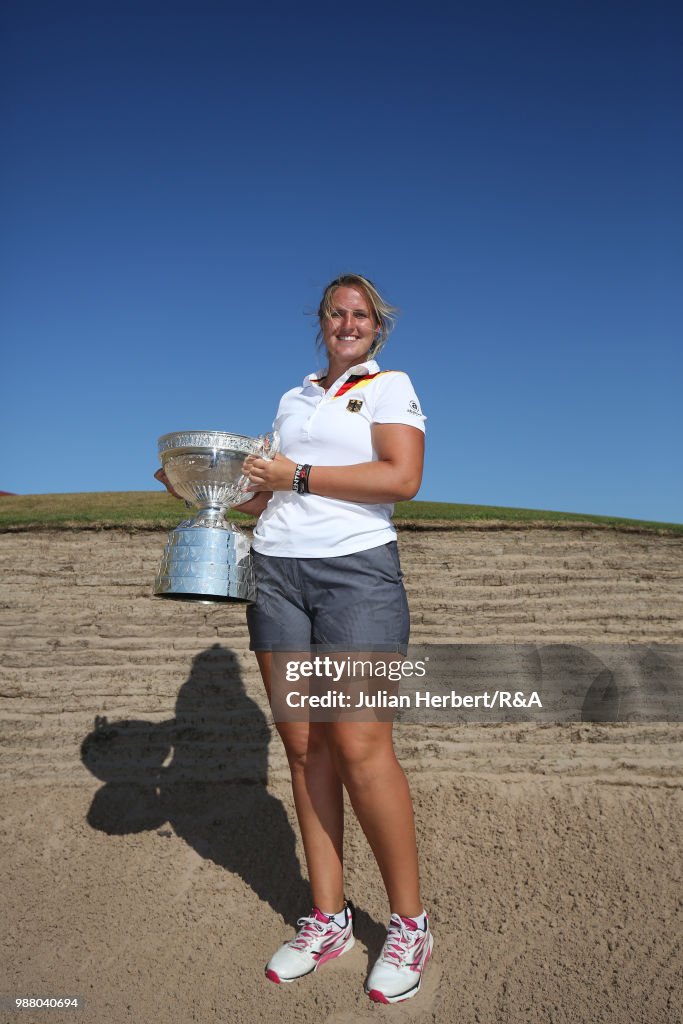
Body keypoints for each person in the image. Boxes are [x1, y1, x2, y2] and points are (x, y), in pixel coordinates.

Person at [157, 273, 432, 1004]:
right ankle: (328, 917)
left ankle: (408, 924)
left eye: (360, 314)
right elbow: (265, 492)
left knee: (360, 744)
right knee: (304, 745)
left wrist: (297, 473)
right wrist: (197, 486)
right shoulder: (293, 396)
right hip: (277, 573)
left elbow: (401, 477)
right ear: (321, 322)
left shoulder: (388, 386)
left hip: (356, 578)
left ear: (377, 326)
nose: (347, 323)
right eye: (336, 313)